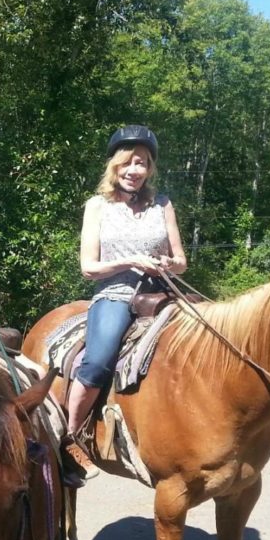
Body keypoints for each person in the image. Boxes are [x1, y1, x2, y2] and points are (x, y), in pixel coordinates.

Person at [62, 124, 187, 484]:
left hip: (163, 292)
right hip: (115, 294)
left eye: (143, 163)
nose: (135, 170)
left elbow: (181, 259)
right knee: (98, 361)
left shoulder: (162, 204)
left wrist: (167, 265)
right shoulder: (97, 206)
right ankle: (69, 439)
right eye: (128, 162)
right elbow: (89, 267)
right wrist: (131, 262)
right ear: (114, 166)